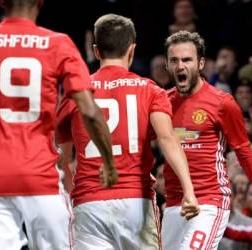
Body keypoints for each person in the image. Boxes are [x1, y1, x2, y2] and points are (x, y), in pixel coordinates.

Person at [0, 0, 118, 249]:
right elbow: (90, 112)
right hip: (40, 178)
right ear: (40, 2)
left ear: (0, 2)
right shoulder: (57, 44)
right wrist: (109, 163)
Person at [56, 14, 199, 250]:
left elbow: (63, 156)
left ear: (96, 50)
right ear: (131, 50)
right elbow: (167, 139)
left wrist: (72, 194)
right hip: (136, 203)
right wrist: (189, 191)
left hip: (89, 203)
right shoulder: (151, 90)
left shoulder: (77, 94)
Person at [162, 30, 252, 250]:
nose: (180, 66)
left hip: (210, 201)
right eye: (174, 60)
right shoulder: (162, 103)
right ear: (167, 65)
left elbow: (244, 153)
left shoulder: (222, 103)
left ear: (200, 64)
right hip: (173, 203)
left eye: (187, 60)